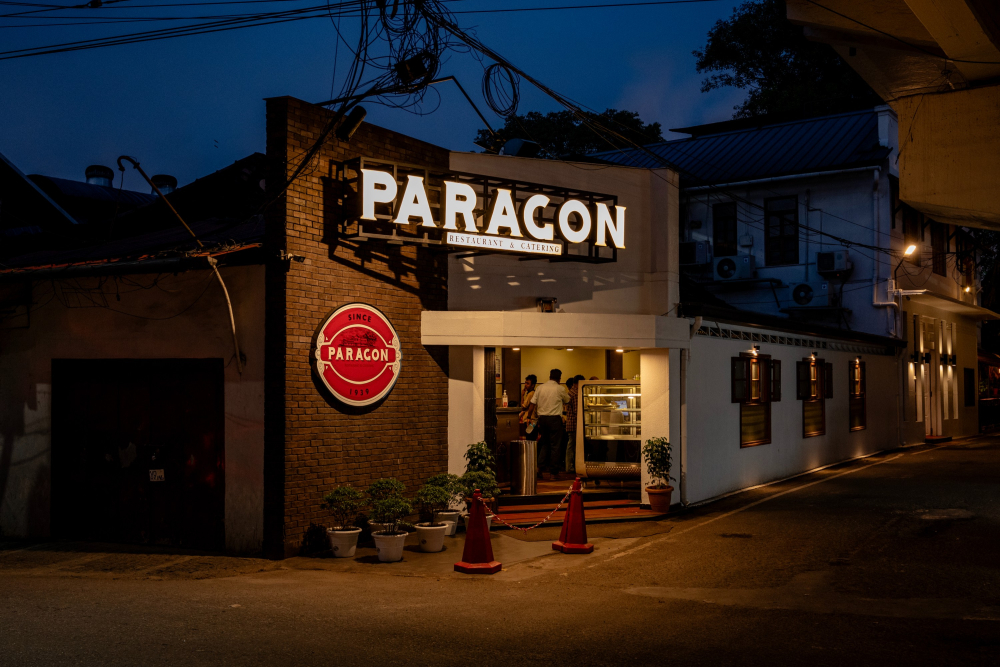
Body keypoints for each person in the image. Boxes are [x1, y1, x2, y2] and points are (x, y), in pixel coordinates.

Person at [531, 369, 569, 480]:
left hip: (542, 419)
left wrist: (529, 417)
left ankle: (539, 468)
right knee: (555, 446)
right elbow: (567, 400)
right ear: (559, 378)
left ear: (549, 376)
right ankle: (553, 473)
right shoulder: (560, 388)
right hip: (554, 419)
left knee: (544, 443)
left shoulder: (540, 388)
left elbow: (532, 403)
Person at [563, 375, 585, 476]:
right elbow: (577, 411)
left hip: (570, 423)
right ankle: (570, 467)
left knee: (571, 445)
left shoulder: (570, 392)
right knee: (572, 446)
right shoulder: (576, 393)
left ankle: (569, 466)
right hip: (575, 424)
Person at [518, 374, 538, 439]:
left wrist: (522, 395)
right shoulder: (532, 393)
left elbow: (523, 407)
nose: (525, 385)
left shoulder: (531, 394)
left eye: (528, 383)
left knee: (530, 440)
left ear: (532, 385)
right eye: (525, 383)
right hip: (532, 421)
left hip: (529, 421)